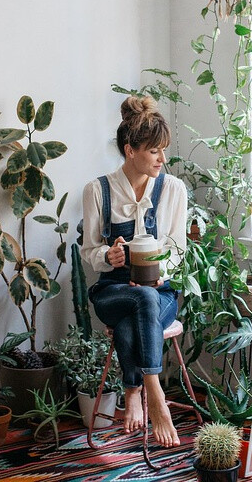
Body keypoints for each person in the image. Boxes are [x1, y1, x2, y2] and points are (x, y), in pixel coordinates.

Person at [81, 96, 187, 448]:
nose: (162, 159)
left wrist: (162, 269)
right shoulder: (98, 190)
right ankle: (155, 395)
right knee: (139, 297)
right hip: (113, 291)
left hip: (161, 293)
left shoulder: (172, 189)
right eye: (155, 151)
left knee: (142, 303)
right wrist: (107, 255)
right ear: (130, 150)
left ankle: (132, 389)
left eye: (163, 150)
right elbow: (90, 252)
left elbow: (179, 250)